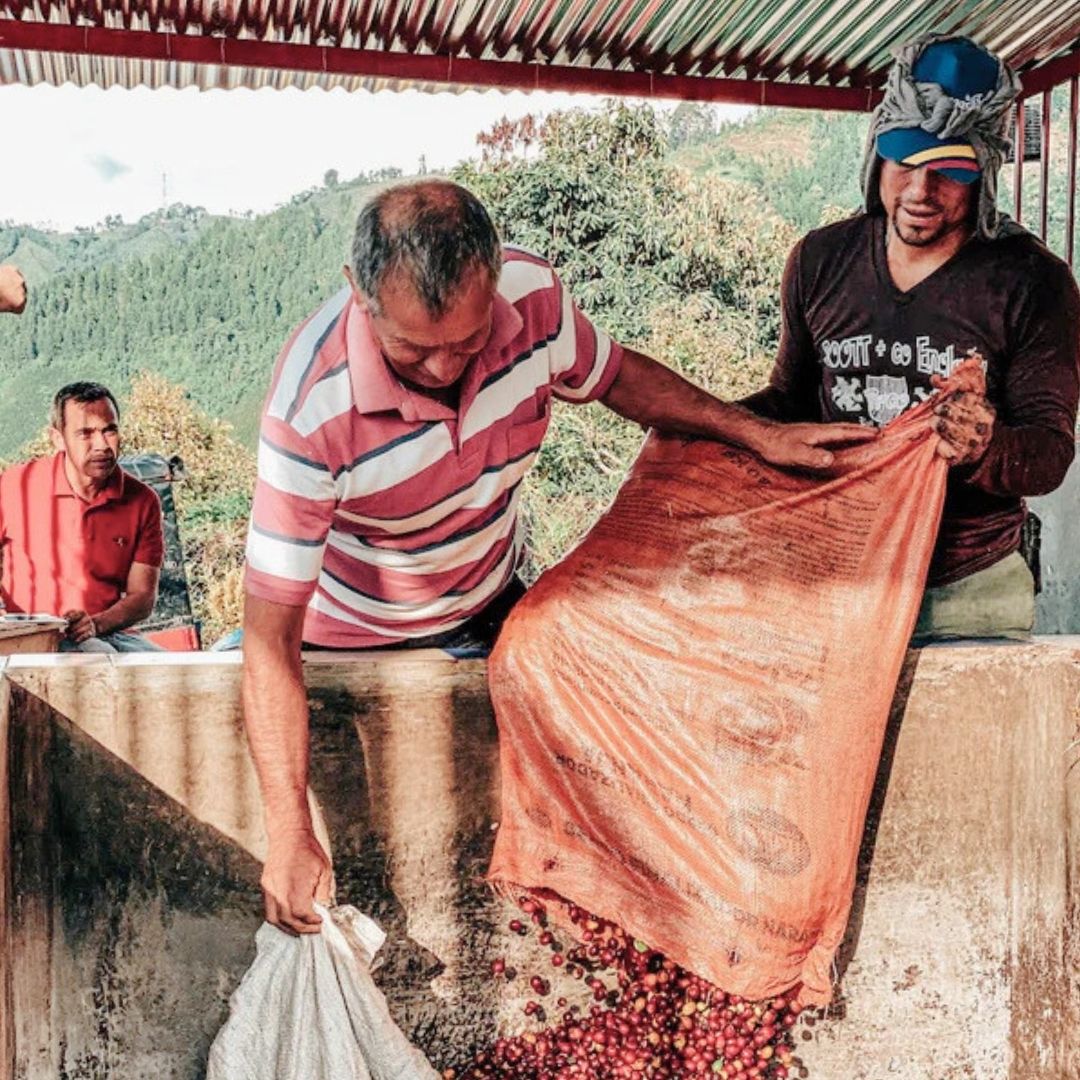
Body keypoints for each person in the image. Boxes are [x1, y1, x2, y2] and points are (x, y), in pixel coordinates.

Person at [242, 179, 876, 933]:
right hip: (352, 636)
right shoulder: (311, 406)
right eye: (413, 348)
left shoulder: (532, 297)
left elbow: (617, 379)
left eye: (469, 343)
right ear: (359, 293)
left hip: (487, 600)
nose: (446, 371)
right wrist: (287, 832)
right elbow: (269, 639)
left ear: (493, 279)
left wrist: (752, 431)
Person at [743, 34, 1080, 643]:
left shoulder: (1034, 281)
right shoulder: (822, 260)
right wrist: (705, 423)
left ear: (983, 171)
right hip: (835, 578)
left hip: (967, 591)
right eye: (905, 161)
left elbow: (1050, 452)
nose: (922, 193)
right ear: (877, 156)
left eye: (950, 171)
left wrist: (985, 443)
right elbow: (790, 400)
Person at [0, 382, 165, 652]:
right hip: (29, 635)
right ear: (58, 438)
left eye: (109, 430)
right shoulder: (13, 486)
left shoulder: (142, 500)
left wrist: (95, 625)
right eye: (85, 433)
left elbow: (142, 597)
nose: (101, 445)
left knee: (170, 673)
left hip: (109, 632)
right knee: (98, 663)